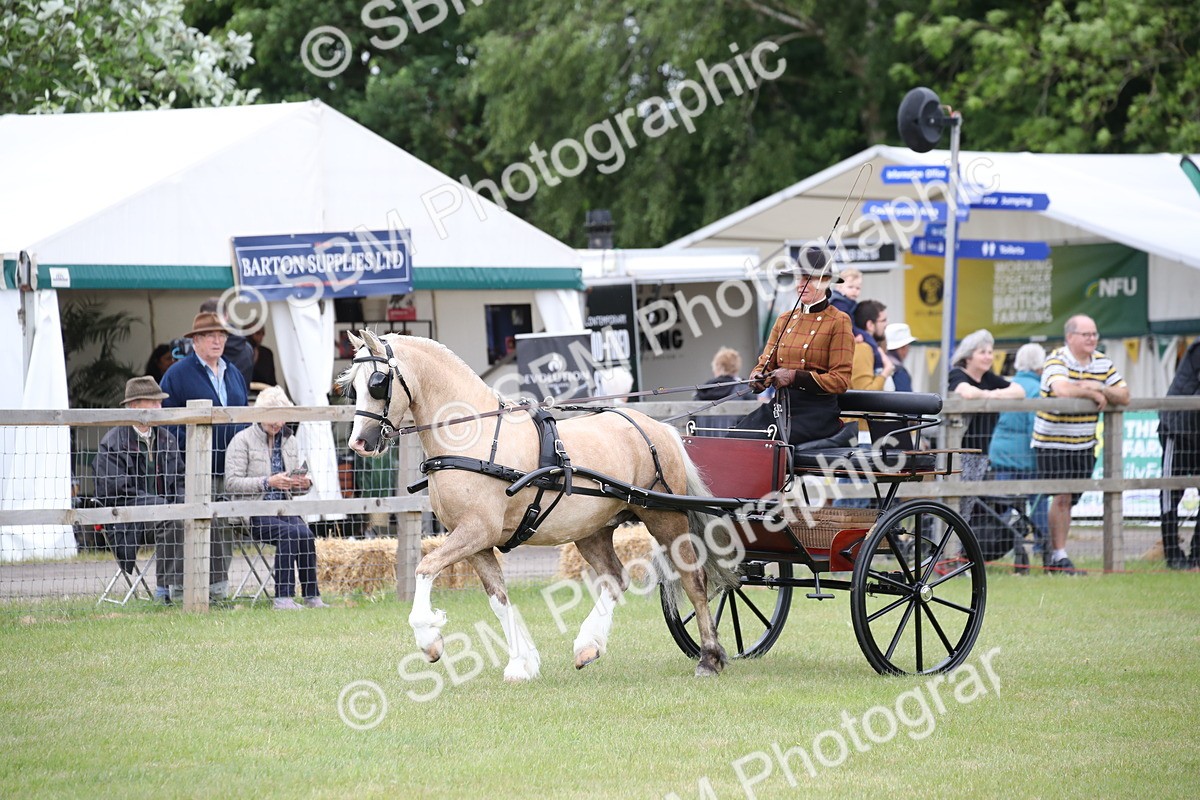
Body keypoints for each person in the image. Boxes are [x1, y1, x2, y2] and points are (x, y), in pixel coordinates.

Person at [160, 311, 250, 600]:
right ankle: (178, 592)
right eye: (210, 335)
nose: (217, 340)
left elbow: (245, 416)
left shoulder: (233, 372)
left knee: (221, 527)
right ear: (195, 340)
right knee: (186, 527)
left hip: (229, 468)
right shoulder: (177, 374)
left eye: (221, 335)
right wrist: (196, 443)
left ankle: (217, 590)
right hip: (192, 467)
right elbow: (165, 424)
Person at [1033, 315, 1129, 575]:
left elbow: (1124, 394)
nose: (1092, 338)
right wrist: (1091, 392)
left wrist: (1098, 386)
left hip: (1085, 444)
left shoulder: (1102, 362)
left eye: (1094, 333)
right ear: (1070, 337)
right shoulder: (1057, 359)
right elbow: (1062, 389)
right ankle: (1059, 556)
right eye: (1086, 334)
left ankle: (1054, 553)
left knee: (1071, 499)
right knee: (1062, 497)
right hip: (1052, 443)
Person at [224, 387, 328, 609]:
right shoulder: (241, 440)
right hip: (253, 512)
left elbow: (293, 484)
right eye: (274, 416)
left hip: (284, 509)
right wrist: (267, 482)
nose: (279, 422)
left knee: (306, 533)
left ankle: (312, 596)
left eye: (283, 416)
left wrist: (303, 484)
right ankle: (283, 597)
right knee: (290, 533)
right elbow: (231, 483)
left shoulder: (290, 441)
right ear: (259, 414)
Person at [748, 248, 854, 446]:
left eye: (809, 279)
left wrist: (794, 376)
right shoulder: (784, 319)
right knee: (737, 436)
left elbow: (840, 381)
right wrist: (758, 378)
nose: (801, 285)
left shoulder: (838, 321)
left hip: (816, 414)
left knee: (764, 442)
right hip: (781, 407)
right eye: (799, 278)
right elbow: (765, 364)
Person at [93, 377, 184, 603]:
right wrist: (164, 507)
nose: (158, 408)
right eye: (152, 403)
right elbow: (117, 490)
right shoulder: (112, 443)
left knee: (200, 518)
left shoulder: (168, 439)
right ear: (134, 406)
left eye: (160, 403)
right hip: (128, 522)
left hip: (167, 515)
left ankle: (212, 589)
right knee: (172, 519)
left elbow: (181, 480)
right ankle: (166, 592)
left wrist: (185, 506)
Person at [988, 342, 1050, 543]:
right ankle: (1042, 546)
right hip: (1026, 455)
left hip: (999, 453)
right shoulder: (1038, 389)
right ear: (1040, 365)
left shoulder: (1007, 385)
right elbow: (1036, 426)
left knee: (1000, 504)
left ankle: (992, 543)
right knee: (1037, 502)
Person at [1159, 338, 1200, 569]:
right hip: (1178, 428)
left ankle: (1197, 555)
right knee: (1170, 493)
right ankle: (1173, 555)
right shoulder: (1197, 348)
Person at [199, 297, 255, 388]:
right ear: (226, 316)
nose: (217, 342)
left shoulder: (197, 347)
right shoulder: (246, 348)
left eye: (221, 336)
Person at [850, 300, 895, 391]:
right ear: (870, 325)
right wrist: (886, 370)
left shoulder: (871, 348)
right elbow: (865, 392)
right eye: (883, 320)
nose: (887, 324)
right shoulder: (863, 348)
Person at [884, 322, 916, 392]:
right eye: (908, 346)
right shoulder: (899, 372)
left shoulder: (879, 366)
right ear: (902, 348)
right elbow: (906, 400)